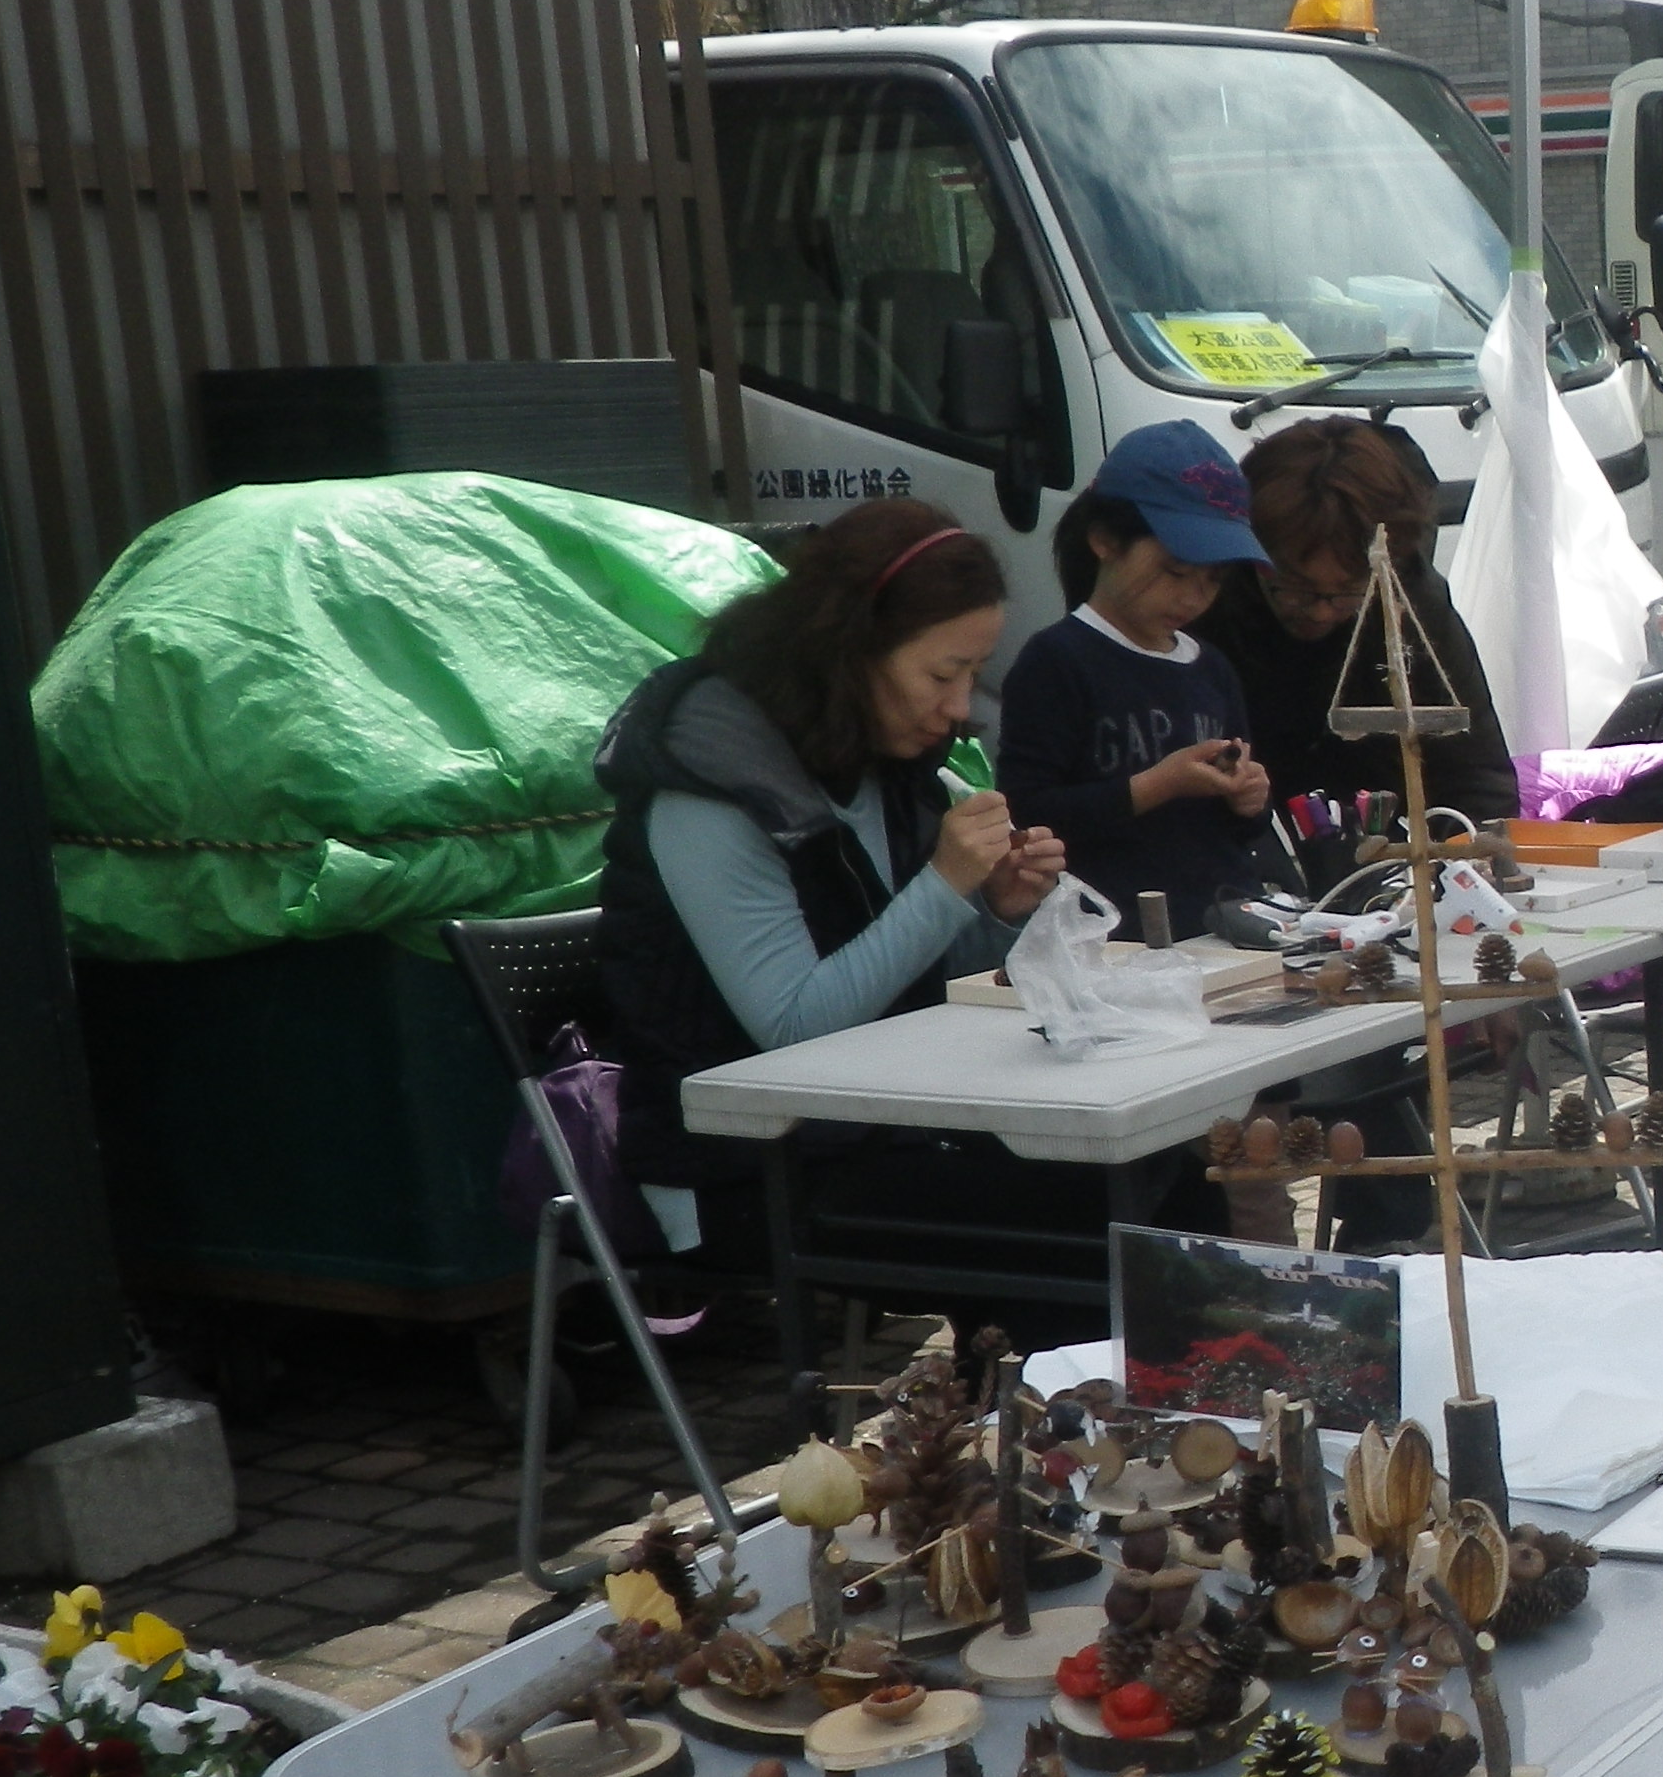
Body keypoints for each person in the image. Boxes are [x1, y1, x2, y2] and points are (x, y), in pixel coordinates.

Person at [592, 497, 1071, 1249]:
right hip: (742, 1166)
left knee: (1141, 1174)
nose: (957, 707)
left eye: (974, 674)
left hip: (873, 1124)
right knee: (1067, 1217)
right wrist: (945, 884)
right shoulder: (709, 786)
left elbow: (912, 981)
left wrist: (997, 909)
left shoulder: (883, 758)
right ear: (850, 651)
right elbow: (792, 1032)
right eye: (944, 673)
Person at [994, 421, 1279, 935]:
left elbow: (1241, 828)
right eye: (1175, 572)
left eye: (1213, 580)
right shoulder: (1057, 661)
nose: (1193, 597)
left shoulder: (1210, 666)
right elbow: (1027, 814)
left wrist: (1249, 799)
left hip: (1221, 925)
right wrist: (1156, 785)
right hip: (1110, 935)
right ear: (1104, 539)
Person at [1200, 415, 1518, 858]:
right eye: (1294, 587)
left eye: (1348, 592)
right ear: (1254, 553)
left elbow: (1476, 775)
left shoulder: (1413, 604)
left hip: (1394, 858)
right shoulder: (1206, 606)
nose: (1320, 611)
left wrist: (1468, 871)